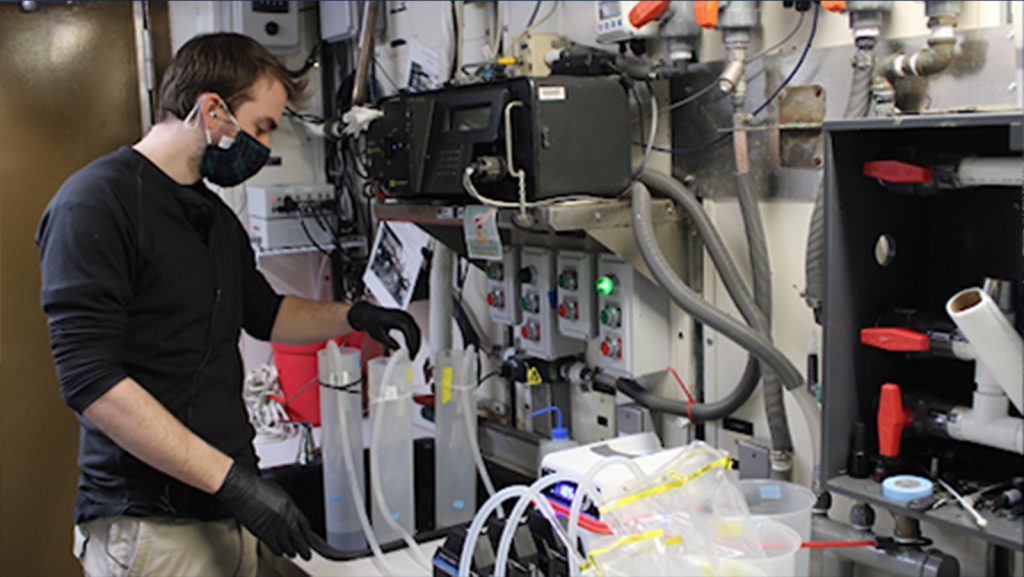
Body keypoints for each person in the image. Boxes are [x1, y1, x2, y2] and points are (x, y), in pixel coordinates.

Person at [35, 33, 420, 576]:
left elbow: (264, 313)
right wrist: (233, 482)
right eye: (261, 127)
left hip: (223, 508)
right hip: (152, 524)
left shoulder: (214, 218)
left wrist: (357, 315)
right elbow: (90, 381)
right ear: (211, 108)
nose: (262, 148)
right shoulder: (97, 203)